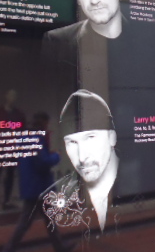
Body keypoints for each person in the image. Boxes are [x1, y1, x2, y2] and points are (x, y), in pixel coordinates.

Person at [42, 90, 128, 233]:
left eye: (90, 138)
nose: (82, 157)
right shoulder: (69, 189)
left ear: (112, 138)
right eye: (72, 142)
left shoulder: (132, 183)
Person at [0, 113, 75, 252]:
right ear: (43, 123)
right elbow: (42, 163)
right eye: (46, 124)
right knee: (26, 223)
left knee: (48, 219)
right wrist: (56, 156)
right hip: (39, 186)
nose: (47, 127)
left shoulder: (23, 138)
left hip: (31, 185)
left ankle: (59, 247)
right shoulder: (36, 139)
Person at [0, 89, 26, 211]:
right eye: (10, 95)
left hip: (13, 148)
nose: (12, 98)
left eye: (14, 96)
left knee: (10, 175)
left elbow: (22, 131)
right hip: (1, 147)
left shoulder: (19, 114)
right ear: (6, 96)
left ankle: (6, 201)